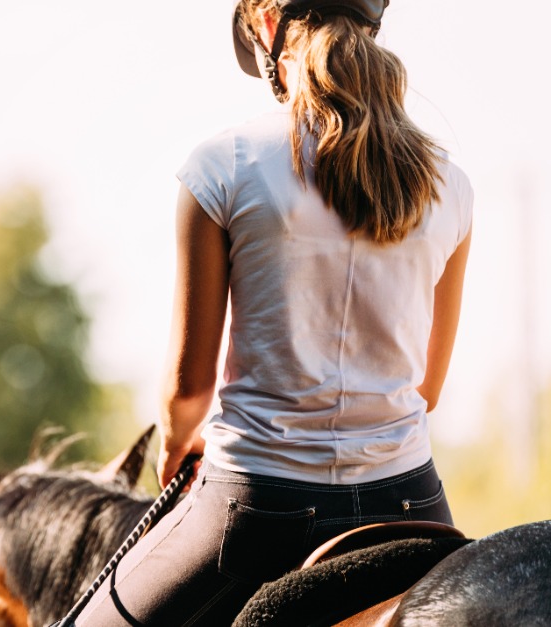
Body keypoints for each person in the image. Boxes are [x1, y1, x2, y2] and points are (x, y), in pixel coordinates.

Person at [76, 0, 473, 624]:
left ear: (265, 26)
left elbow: (189, 389)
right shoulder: (450, 184)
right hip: (412, 506)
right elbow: (427, 388)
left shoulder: (221, 166)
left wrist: (178, 445)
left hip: (259, 511)